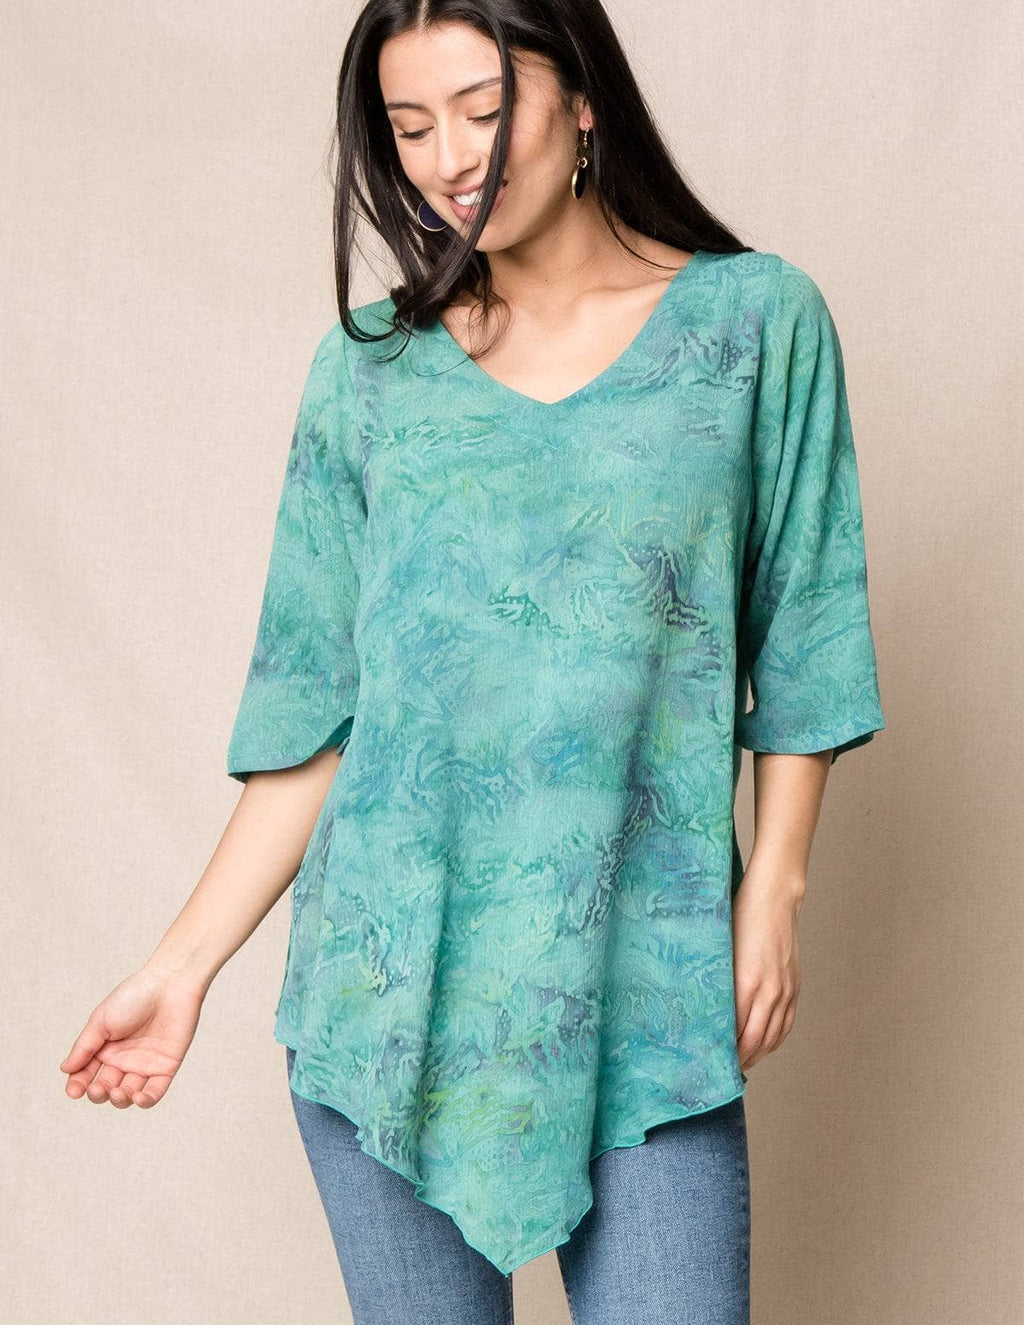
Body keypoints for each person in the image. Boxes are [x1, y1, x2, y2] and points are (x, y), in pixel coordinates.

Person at [59, 3, 887, 1322]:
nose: (450, 157)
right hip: (387, 1001)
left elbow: (808, 636)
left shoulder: (753, 325)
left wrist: (774, 891)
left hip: (648, 992)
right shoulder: (371, 372)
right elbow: (317, 720)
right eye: (410, 127)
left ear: (584, 102)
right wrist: (180, 966)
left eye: (483, 110)